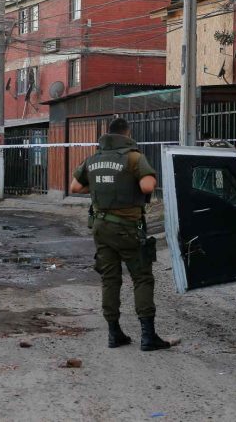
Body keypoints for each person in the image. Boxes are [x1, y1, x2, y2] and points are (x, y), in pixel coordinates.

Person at [70, 118, 171, 352]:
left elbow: (75, 187)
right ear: (128, 134)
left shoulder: (93, 159)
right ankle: (148, 336)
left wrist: (100, 186)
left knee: (110, 278)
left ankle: (114, 333)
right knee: (142, 277)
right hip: (127, 227)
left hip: (100, 227)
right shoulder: (134, 158)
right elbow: (147, 186)